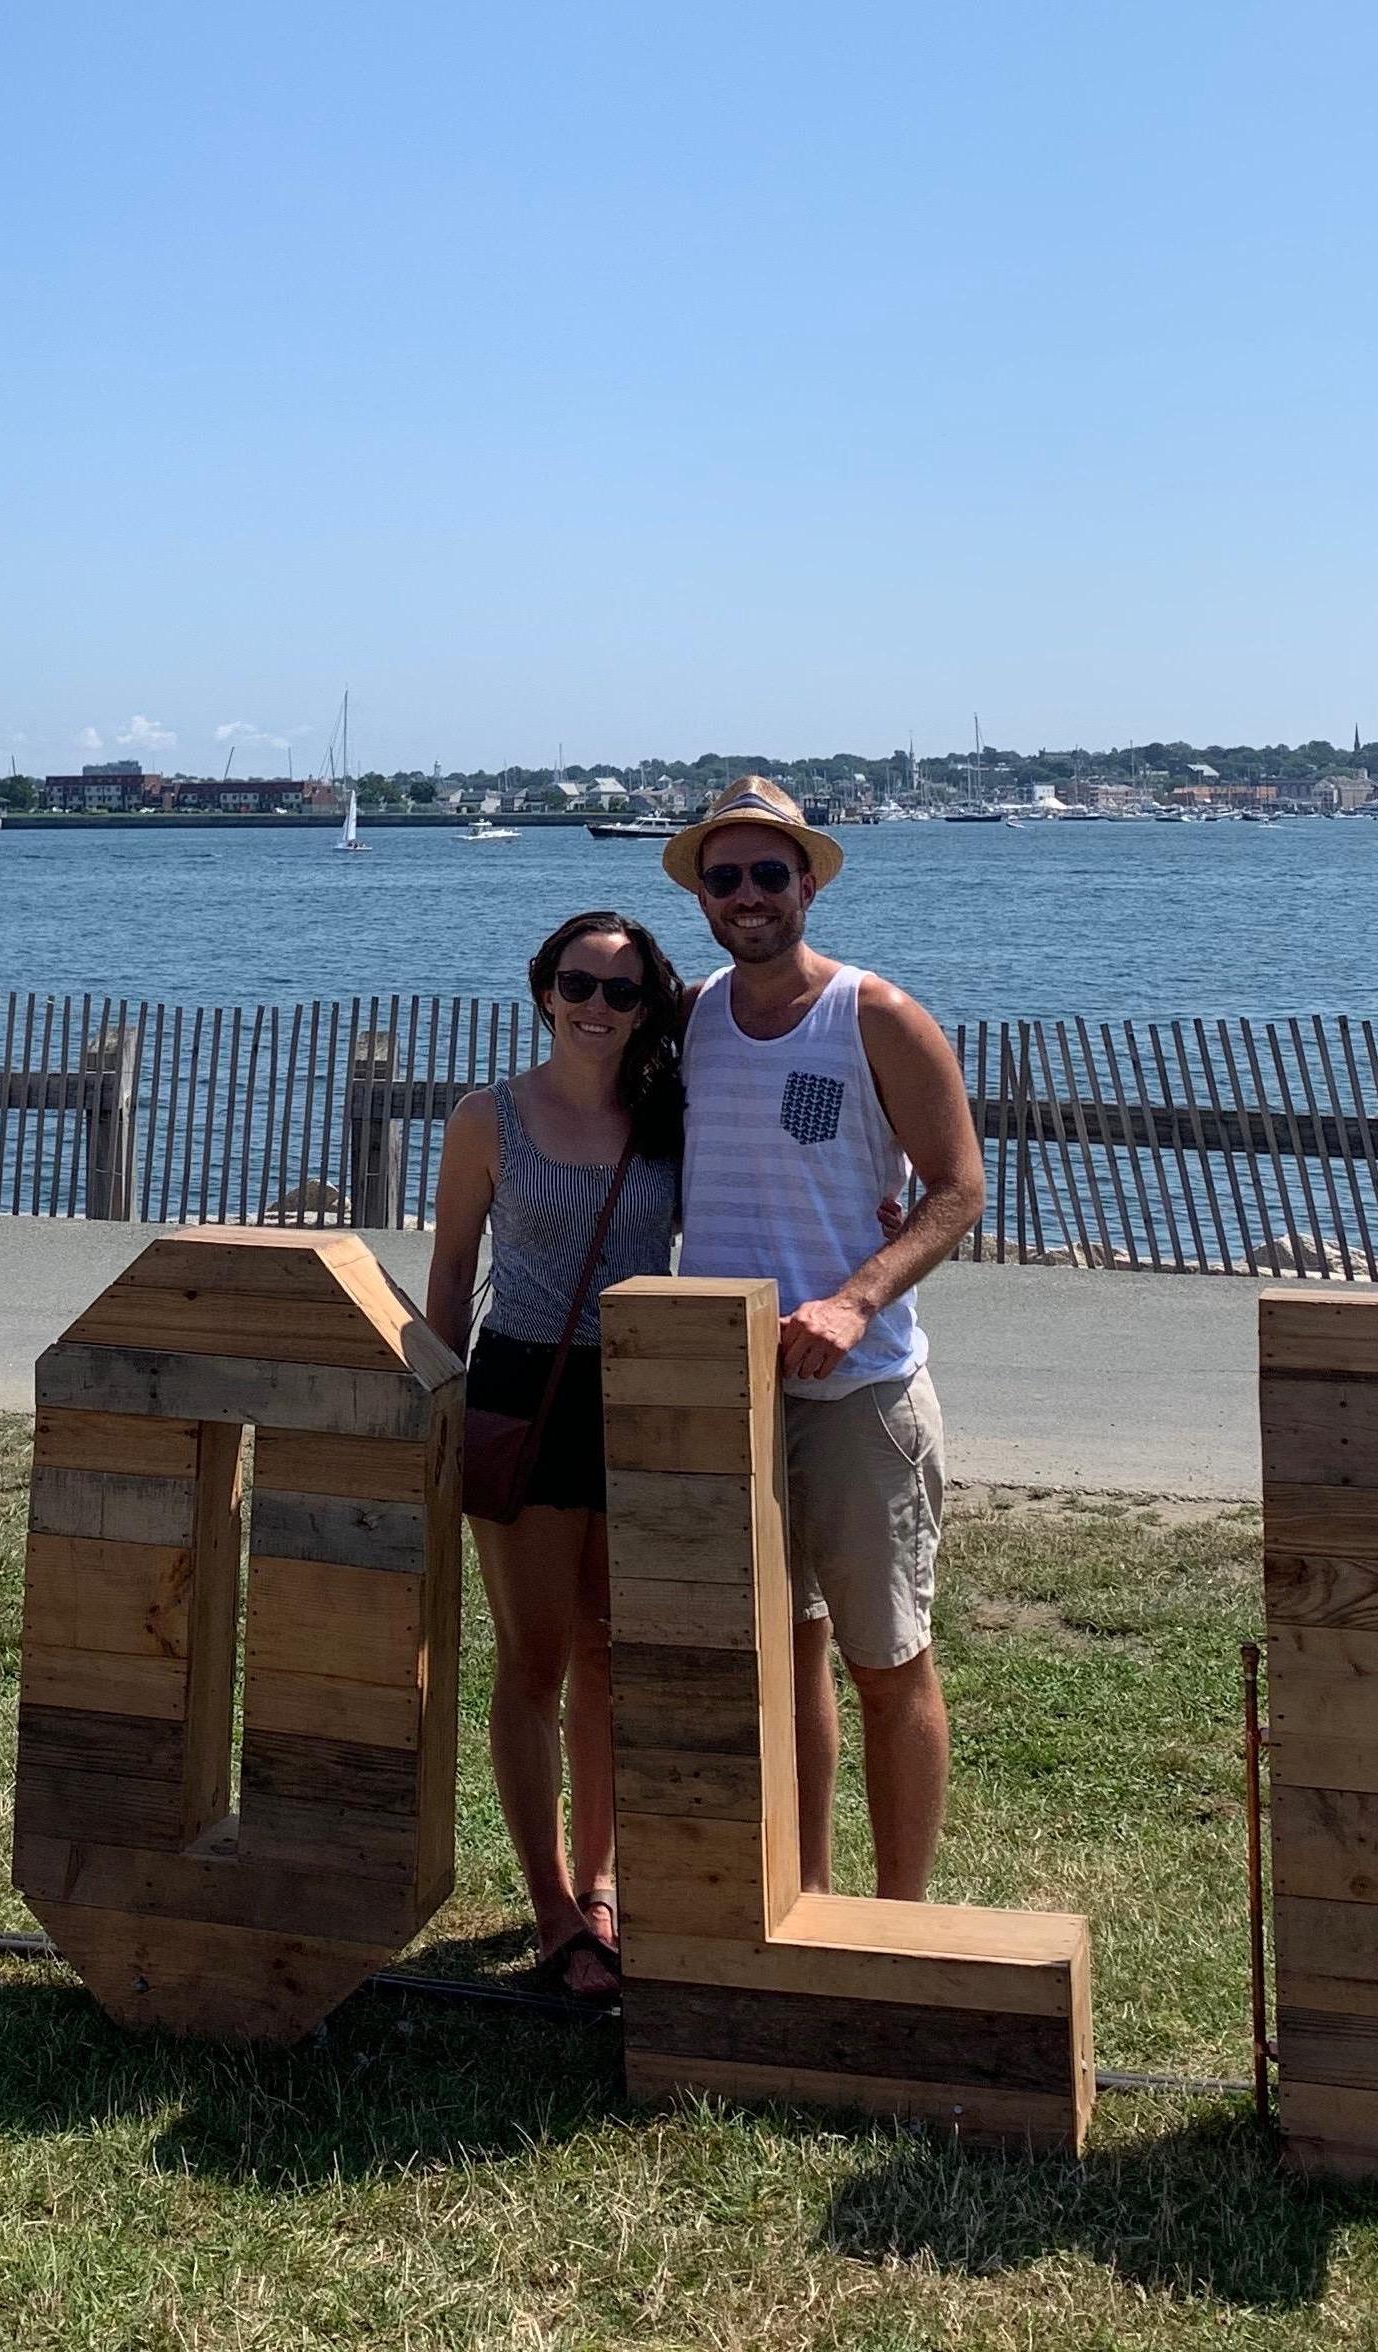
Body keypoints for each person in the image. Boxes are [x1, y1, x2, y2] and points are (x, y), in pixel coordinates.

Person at [662, 777, 986, 1902]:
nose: (747, 896)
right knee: (783, 1654)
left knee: (887, 1662)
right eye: (724, 878)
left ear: (807, 883)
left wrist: (856, 1298)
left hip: (858, 1395)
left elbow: (957, 1190)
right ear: (702, 897)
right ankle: (801, 1895)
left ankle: (899, 1924)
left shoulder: (877, 1016)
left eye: (767, 874)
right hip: (731, 1393)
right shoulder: (694, 1016)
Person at [425, 912, 686, 1999]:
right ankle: (552, 1911)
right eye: (580, 984)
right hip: (522, 1390)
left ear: (648, 1009)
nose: (598, 1007)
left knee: (613, 1654)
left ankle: (606, 1880)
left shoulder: (671, 1116)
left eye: (623, 993)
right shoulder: (490, 1118)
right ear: (543, 991)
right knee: (537, 1662)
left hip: (633, 1389)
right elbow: (448, 1272)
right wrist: (438, 1411)